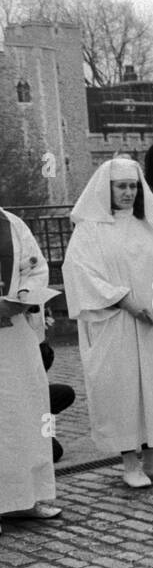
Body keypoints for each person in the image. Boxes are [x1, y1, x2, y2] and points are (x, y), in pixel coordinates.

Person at [63, 158, 153, 487]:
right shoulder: (91, 229)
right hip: (116, 322)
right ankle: (129, 463)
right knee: (122, 390)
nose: (128, 192)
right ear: (106, 189)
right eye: (121, 186)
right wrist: (127, 302)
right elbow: (82, 273)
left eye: (133, 186)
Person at [0, 205, 60, 534]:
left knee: (24, 410)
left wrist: (15, 302)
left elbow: (36, 271)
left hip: (13, 330)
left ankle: (23, 499)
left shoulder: (11, 224)